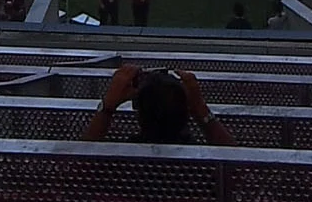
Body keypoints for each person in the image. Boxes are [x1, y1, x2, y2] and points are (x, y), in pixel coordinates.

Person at [92, 62, 222, 145]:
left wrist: (107, 107)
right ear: (187, 110)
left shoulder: (118, 162)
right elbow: (238, 170)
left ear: (138, 110)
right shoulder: (204, 164)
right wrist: (201, 108)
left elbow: (78, 168)